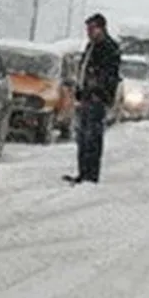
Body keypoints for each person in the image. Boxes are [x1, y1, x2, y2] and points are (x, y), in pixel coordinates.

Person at [64, 13, 121, 185]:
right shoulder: (91, 46)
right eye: (87, 29)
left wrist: (99, 90)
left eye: (92, 28)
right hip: (86, 97)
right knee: (82, 137)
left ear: (101, 28)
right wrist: (80, 90)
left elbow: (109, 75)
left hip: (97, 99)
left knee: (92, 137)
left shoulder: (109, 48)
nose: (89, 32)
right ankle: (83, 172)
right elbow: (83, 70)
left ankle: (91, 175)